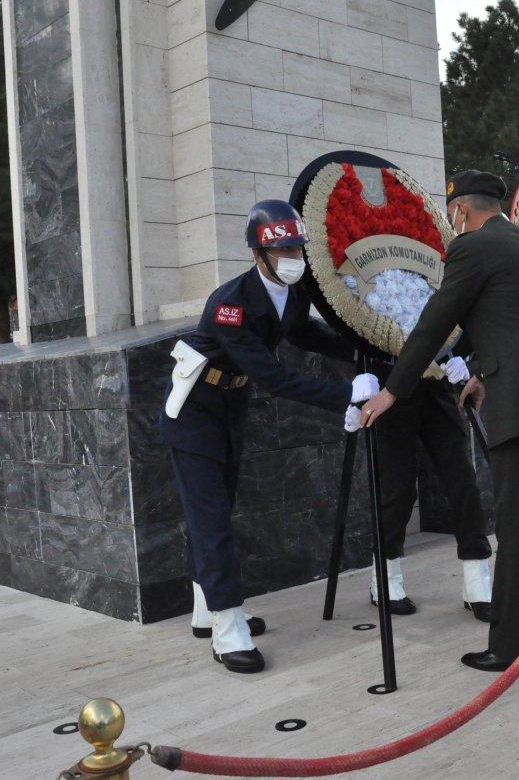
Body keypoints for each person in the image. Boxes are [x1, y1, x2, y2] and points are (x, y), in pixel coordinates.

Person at [358, 169, 519, 674]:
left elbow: (437, 321)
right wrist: (484, 372)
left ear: (461, 211)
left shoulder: (472, 247)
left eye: (453, 214)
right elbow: (513, 320)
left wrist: (391, 392)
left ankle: (514, 650)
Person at [160, 199, 379, 675]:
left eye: (296, 248)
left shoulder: (292, 292)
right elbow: (274, 377)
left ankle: (207, 610)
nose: (291, 258)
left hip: (229, 404)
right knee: (211, 517)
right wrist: (347, 393)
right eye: (280, 251)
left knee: (216, 509)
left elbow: (305, 335)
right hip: (194, 411)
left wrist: (369, 346)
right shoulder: (230, 304)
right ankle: (226, 626)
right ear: (257, 254)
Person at [348, 353, 494, 620]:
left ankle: (477, 579)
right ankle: (385, 575)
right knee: (397, 489)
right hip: (390, 384)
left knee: (462, 480)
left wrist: (467, 357)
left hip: (435, 383)